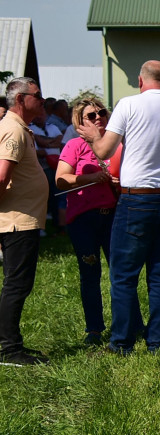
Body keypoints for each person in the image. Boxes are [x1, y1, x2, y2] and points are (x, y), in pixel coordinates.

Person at [76, 60, 160, 354]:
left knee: (124, 274)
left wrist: (93, 136)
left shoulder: (129, 105)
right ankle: (157, 342)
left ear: (141, 81)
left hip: (138, 197)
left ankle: (122, 342)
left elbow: (103, 150)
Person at [55, 98, 120, 346]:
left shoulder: (116, 144)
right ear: (79, 122)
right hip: (84, 219)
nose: (98, 118)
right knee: (90, 273)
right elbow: (61, 180)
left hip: (113, 215)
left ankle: (126, 325)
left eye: (101, 113)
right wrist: (92, 177)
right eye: (90, 116)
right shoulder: (74, 145)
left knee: (121, 273)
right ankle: (94, 329)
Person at [0, 78, 51, 366]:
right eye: (38, 96)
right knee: (17, 285)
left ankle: (9, 344)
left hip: (20, 218)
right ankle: (9, 350)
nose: (42, 101)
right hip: (18, 220)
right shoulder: (13, 131)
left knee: (16, 284)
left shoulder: (18, 128)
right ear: (21, 99)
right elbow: (1, 176)